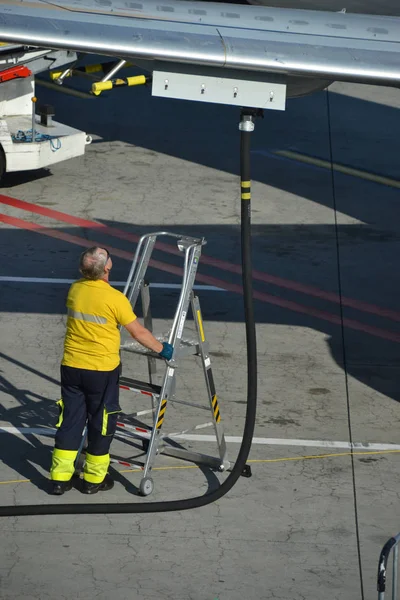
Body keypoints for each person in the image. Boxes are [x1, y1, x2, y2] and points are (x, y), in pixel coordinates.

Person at [49, 246, 173, 496]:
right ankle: (94, 479)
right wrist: (163, 349)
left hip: (72, 365)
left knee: (71, 420)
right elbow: (137, 332)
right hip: (101, 371)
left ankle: (60, 478)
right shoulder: (115, 298)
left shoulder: (75, 289)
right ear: (107, 268)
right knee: (101, 421)